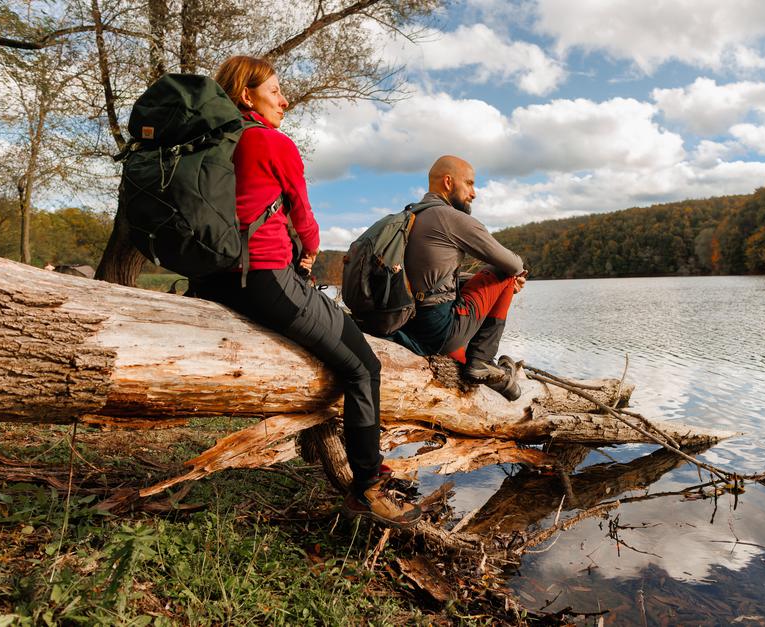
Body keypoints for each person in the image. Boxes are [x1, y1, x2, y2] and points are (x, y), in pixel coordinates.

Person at [195, 55, 421, 528]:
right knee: (365, 367)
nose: (285, 100)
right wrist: (309, 255)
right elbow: (305, 218)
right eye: (275, 91)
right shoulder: (268, 140)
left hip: (213, 278)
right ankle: (366, 487)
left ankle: (327, 450)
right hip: (264, 275)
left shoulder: (207, 143)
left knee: (338, 352)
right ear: (245, 96)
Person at [391, 155, 527, 400]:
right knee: (502, 273)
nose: (474, 193)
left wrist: (492, 289)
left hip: (409, 323)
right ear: (448, 182)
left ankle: (481, 361)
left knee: (484, 280)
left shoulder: (411, 215)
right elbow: (514, 264)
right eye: (470, 184)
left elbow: (435, 278)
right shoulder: (450, 218)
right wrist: (505, 282)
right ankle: (482, 360)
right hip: (438, 330)